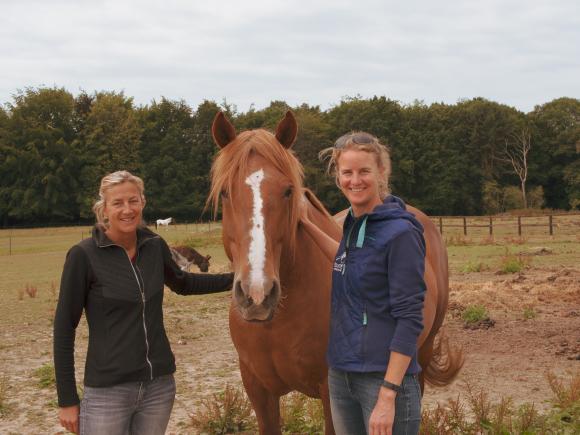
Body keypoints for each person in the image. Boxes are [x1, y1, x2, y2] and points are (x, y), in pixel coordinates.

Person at [53, 170, 233, 435]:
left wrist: (237, 280)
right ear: (103, 209)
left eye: (133, 200)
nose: (127, 209)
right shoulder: (84, 256)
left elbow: (184, 283)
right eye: (117, 203)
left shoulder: (154, 245)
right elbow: (64, 328)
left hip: (158, 388)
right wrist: (67, 399)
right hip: (108, 392)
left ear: (143, 203)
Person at [300, 132, 426, 435]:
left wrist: (387, 395)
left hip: (382, 379)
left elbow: (409, 318)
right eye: (347, 172)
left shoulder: (400, 233)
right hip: (341, 375)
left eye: (364, 171)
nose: (355, 180)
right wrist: (305, 223)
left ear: (382, 172)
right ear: (338, 177)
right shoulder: (354, 225)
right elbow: (347, 261)